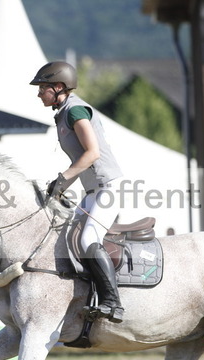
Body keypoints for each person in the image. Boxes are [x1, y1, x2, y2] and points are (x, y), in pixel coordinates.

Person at [29, 61, 124, 323]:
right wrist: (59, 187)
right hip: (93, 189)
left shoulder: (75, 111)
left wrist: (63, 179)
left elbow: (92, 153)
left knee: (87, 238)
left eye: (43, 88)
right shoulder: (64, 112)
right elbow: (80, 161)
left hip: (108, 186)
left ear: (59, 87)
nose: (39, 93)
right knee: (68, 236)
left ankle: (113, 303)